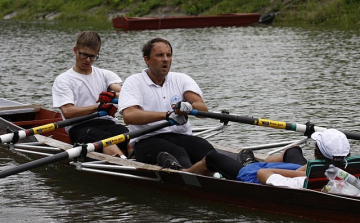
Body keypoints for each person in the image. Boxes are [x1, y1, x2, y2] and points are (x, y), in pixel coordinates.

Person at [117, 37, 215, 174]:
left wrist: (189, 106)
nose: (165, 59)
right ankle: (196, 176)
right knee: (178, 153)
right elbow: (129, 115)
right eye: (159, 55)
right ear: (147, 60)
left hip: (180, 137)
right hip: (147, 141)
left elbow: (203, 109)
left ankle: (238, 175)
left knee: (208, 151)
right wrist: (167, 115)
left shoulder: (181, 79)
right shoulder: (134, 82)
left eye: (168, 55)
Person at [163, 129, 351, 189]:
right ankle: (248, 160)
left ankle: (184, 172)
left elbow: (263, 173)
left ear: (317, 154)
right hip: (314, 172)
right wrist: (306, 167)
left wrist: (299, 171)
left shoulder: (302, 177)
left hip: (254, 176)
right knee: (293, 150)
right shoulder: (350, 170)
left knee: (212, 157)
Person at [52, 31, 131, 158]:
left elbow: (124, 94)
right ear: (75, 50)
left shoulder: (105, 75)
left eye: (93, 56)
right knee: (104, 140)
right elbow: (67, 111)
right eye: (84, 55)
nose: (88, 60)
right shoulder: (63, 80)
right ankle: (126, 164)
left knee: (128, 134)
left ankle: (135, 157)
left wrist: (113, 96)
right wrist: (98, 107)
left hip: (108, 123)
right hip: (80, 127)